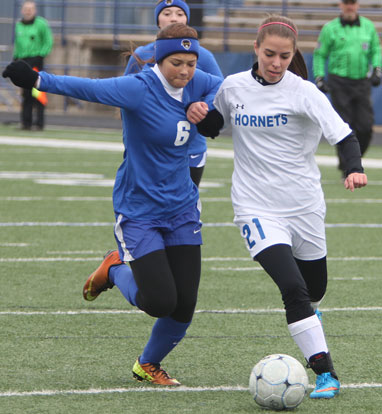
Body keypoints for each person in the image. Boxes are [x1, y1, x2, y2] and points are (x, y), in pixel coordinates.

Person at [3, 23, 222, 386]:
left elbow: (234, 92)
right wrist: (37, 79)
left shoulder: (198, 82)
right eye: (176, 63)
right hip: (139, 211)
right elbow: (87, 88)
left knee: (184, 306)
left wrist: (213, 113)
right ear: (159, 59)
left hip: (183, 208)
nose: (185, 72)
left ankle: (147, 364)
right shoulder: (139, 88)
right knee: (159, 302)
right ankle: (114, 269)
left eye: (191, 63)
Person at [189, 15, 367, 399]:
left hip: (303, 205)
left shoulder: (304, 92)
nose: (276, 63)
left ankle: (310, 321)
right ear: (255, 49)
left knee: (313, 289)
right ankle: (326, 373)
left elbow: (345, 135)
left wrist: (353, 168)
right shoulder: (233, 86)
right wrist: (201, 117)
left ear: (293, 56)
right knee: (292, 287)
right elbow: (216, 125)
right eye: (269, 54)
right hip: (255, 206)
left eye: (284, 57)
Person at [125, 0, 223, 187]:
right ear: (157, 20)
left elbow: (221, 92)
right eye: (167, 13)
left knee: (186, 207)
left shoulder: (204, 56)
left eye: (179, 13)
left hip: (190, 147)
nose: (173, 18)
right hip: (148, 148)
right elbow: (126, 98)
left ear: (187, 19)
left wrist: (202, 107)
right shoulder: (141, 54)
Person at [313, 0, 381, 174]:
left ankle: (351, 160)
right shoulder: (330, 28)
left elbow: (375, 50)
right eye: (346, 3)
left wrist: (377, 68)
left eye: (353, 3)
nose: (350, 6)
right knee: (344, 125)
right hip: (339, 82)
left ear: (358, 5)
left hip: (361, 82)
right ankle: (349, 168)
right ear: (340, 5)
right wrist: (319, 76)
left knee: (365, 126)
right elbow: (320, 54)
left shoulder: (368, 27)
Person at [12, 1, 53, 130]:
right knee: (25, 92)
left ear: (34, 10)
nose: (28, 11)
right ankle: (26, 122)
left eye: (30, 9)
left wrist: (40, 55)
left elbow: (48, 41)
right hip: (23, 61)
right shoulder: (18, 25)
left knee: (38, 91)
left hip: (35, 61)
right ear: (22, 11)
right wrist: (15, 58)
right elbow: (17, 44)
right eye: (26, 9)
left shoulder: (41, 24)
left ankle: (39, 123)